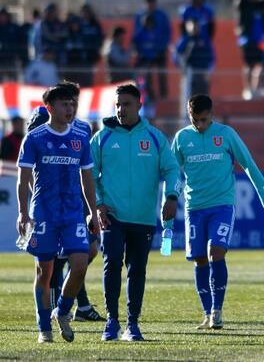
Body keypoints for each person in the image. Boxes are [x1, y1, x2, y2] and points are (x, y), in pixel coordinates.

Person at [169, 94, 264, 330]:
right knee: (199, 260)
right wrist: (170, 199)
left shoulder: (226, 134)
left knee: (215, 251)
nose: (199, 125)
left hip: (222, 206)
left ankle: (217, 310)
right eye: (195, 120)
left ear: (212, 115)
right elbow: (171, 172)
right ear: (189, 116)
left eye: (204, 120)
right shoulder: (181, 138)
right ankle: (207, 313)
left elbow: (248, 164)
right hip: (194, 208)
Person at [91, 84, 180, 341]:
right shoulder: (102, 137)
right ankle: (111, 322)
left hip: (143, 217)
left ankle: (132, 324)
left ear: (140, 105)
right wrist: (98, 204)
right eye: (118, 104)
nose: (121, 109)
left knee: (137, 269)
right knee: (111, 264)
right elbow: (87, 173)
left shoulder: (154, 137)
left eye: (127, 104)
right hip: (112, 216)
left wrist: (171, 197)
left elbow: (172, 170)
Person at [16, 84, 99, 343]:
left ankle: (62, 311)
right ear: (50, 107)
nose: (70, 109)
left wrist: (93, 213)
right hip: (44, 214)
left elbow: (87, 178)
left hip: (73, 213)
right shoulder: (34, 138)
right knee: (44, 271)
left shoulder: (80, 138)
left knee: (80, 263)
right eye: (65, 104)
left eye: (72, 104)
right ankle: (44, 328)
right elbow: (23, 179)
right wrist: (22, 213)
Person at [237, 0, 264, 100]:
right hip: (248, 40)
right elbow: (241, 0)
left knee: (261, 65)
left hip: (260, 41)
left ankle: (257, 88)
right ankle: (247, 89)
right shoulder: (245, 7)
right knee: (248, 65)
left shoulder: (259, 7)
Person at [133, 0, 172, 101]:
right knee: (147, 76)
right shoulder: (140, 15)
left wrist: (161, 47)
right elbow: (136, 36)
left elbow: (167, 33)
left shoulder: (162, 15)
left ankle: (164, 97)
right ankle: (150, 96)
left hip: (160, 51)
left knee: (162, 74)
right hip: (145, 54)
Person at [175, 19, 214, 99]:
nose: (195, 28)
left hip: (203, 72)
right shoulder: (185, 40)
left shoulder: (204, 39)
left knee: (203, 96)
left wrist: (209, 70)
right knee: (189, 96)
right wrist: (183, 67)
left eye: (197, 26)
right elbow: (177, 55)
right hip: (189, 73)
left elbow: (212, 56)